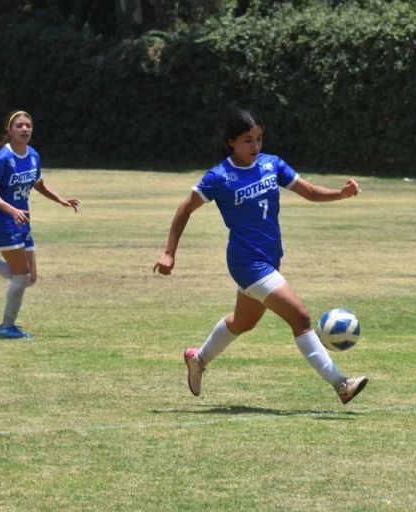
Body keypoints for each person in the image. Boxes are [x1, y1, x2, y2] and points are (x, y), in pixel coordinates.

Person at [153, 109, 368, 405]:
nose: (255, 146)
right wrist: (169, 253)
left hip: (269, 259)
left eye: (259, 139)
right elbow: (184, 210)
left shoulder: (272, 164)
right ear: (231, 142)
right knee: (301, 318)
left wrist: (339, 194)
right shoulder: (219, 177)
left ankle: (198, 359)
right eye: (247, 140)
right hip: (246, 263)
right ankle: (341, 384)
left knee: (242, 323)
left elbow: (309, 192)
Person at [0, 110, 81, 338]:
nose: (25, 129)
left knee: (29, 278)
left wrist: (61, 200)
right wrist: (12, 209)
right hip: (3, 223)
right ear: (10, 130)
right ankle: (7, 326)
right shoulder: (3, 158)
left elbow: (39, 184)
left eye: (28, 125)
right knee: (21, 277)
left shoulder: (33, 155)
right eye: (19, 125)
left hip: (22, 223)